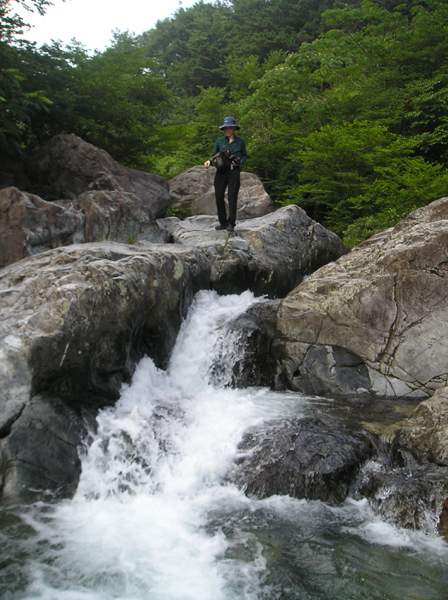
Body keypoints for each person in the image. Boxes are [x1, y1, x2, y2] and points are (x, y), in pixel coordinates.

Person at [204, 116, 247, 233]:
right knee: (218, 196)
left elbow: (244, 155)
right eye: (226, 128)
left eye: (230, 128)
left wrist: (240, 161)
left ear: (234, 129)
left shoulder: (240, 141)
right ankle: (223, 222)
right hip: (221, 171)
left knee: (232, 197)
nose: (228, 130)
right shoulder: (219, 141)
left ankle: (231, 223)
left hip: (234, 171)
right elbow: (213, 154)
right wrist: (208, 161)